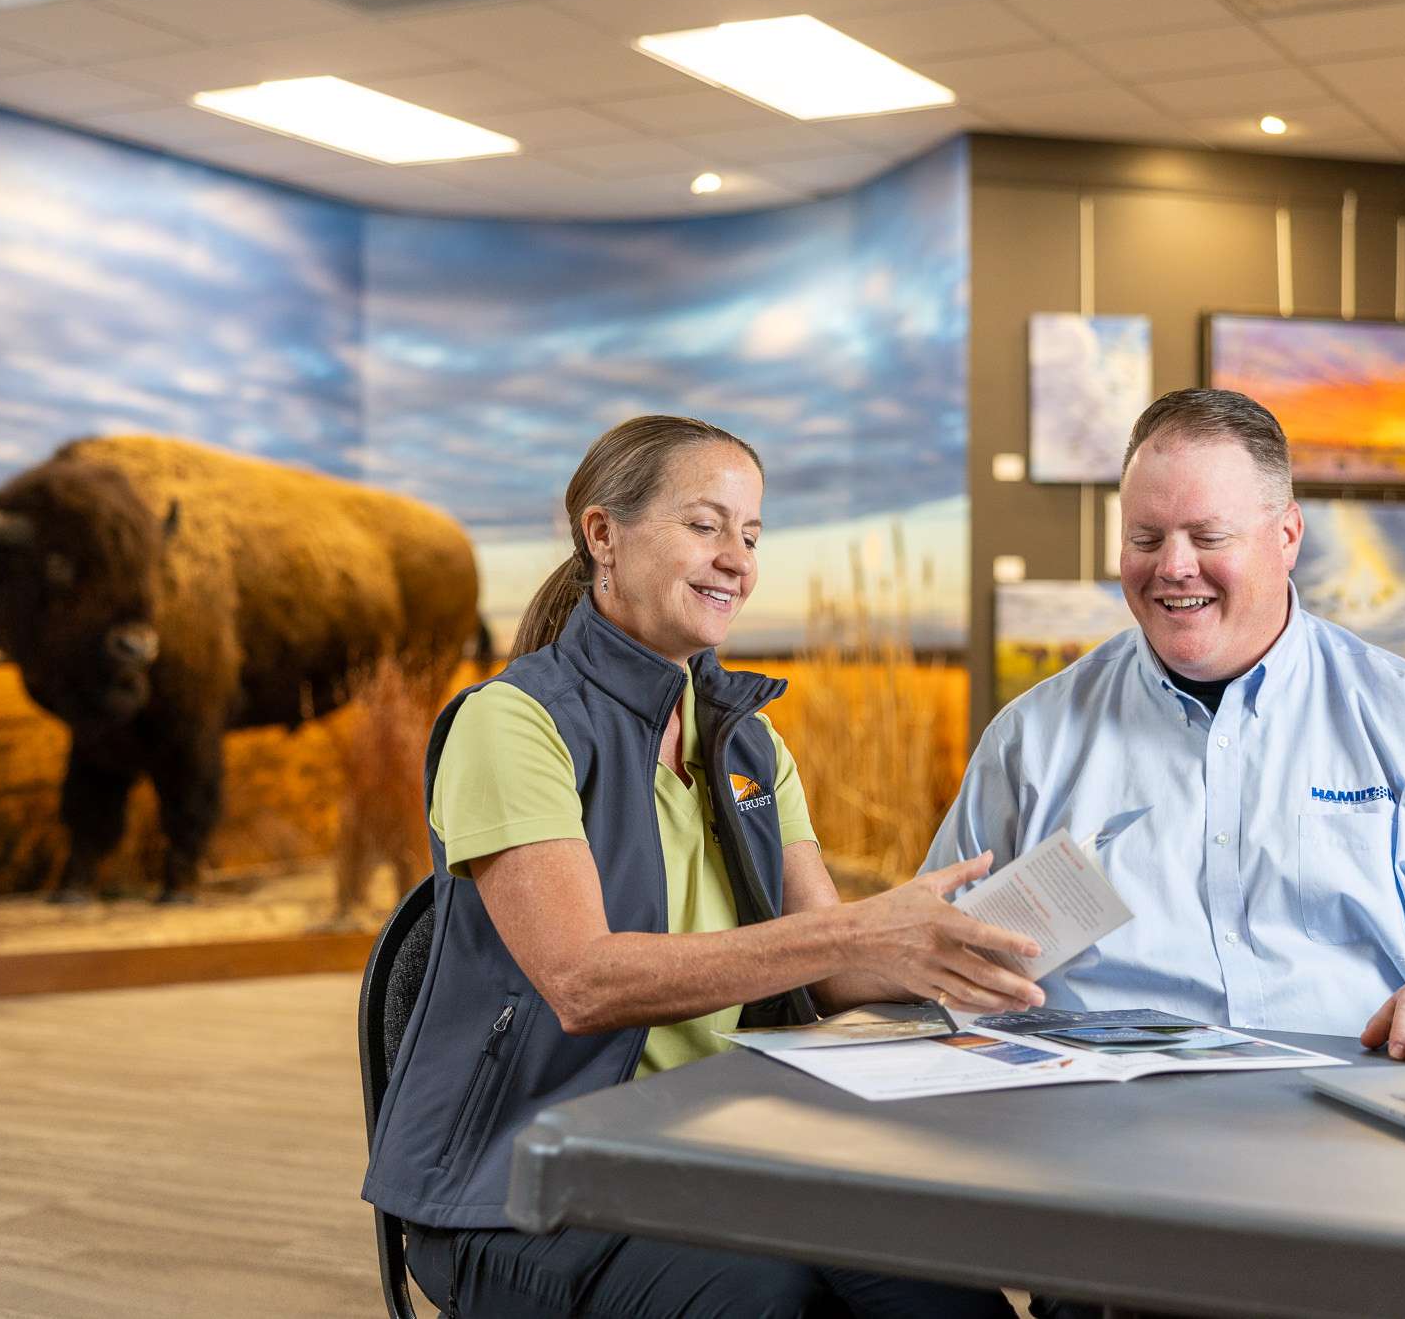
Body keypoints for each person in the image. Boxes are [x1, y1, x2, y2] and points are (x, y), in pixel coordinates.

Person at [364, 414, 1039, 1319]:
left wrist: (957, 951)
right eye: (705, 524)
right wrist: (855, 925)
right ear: (604, 535)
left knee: (940, 1295)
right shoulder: (513, 723)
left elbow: (830, 967)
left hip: (724, 1153)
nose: (738, 559)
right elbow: (583, 981)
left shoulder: (748, 741)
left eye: (752, 534)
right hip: (527, 1187)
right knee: (768, 1299)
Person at [925, 388, 1405, 1069]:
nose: (1173, 567)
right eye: (1145, 539)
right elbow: (930, 961)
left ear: (1288, 536)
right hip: (1095, 1124)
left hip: (1354, 1116)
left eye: (1208, 537)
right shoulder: (1030, 741)